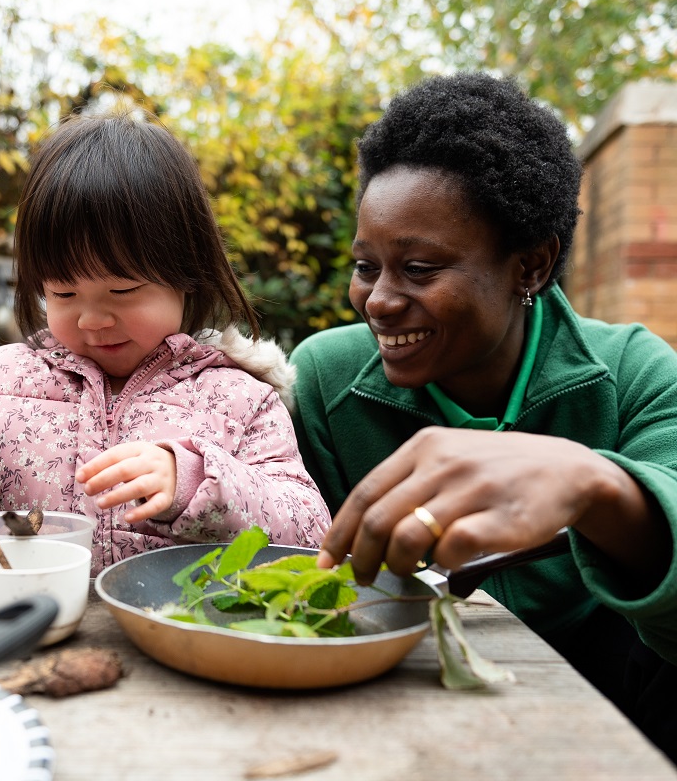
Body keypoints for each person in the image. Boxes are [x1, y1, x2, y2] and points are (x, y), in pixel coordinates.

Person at [289, 72, 677, 761]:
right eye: (364, 265)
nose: (378, 299)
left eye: (418, 266)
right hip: (389, 725)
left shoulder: (636, 376)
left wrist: (595, 484)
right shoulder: (324, 380)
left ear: (530, 267)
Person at [0, 111, 330, 575]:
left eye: (123, 290)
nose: (92, 319)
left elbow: (310, 535)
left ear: (188, 276)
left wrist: (197, 484)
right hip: (16, 633)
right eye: (64, 293)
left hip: (173, 636)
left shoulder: (241, 399)